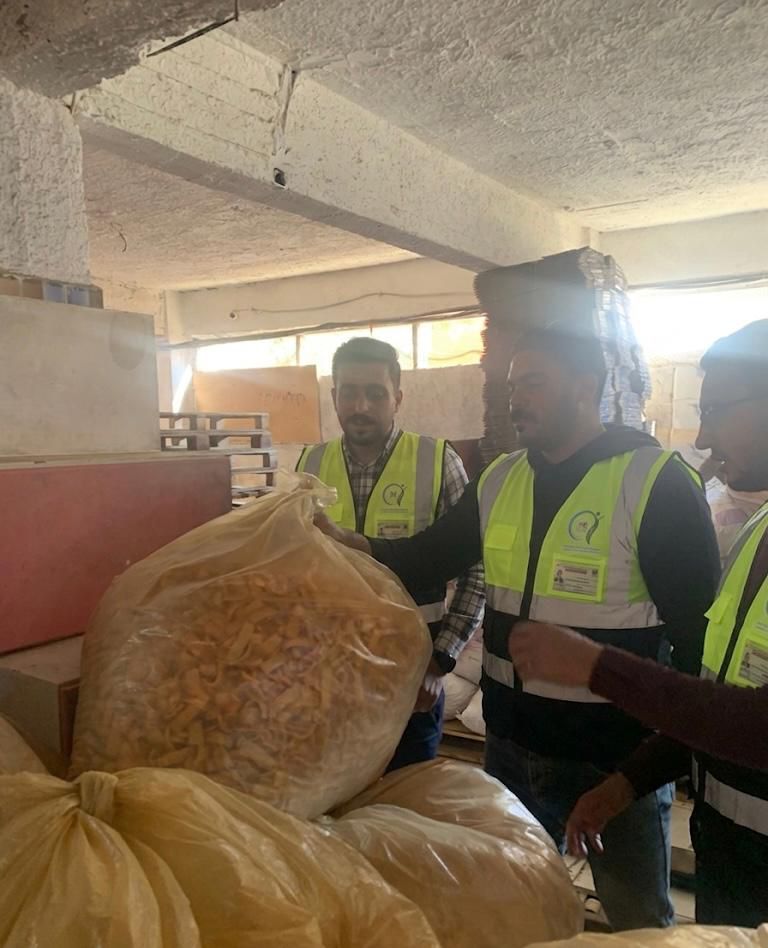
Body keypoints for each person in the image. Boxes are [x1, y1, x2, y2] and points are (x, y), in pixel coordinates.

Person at [315, 327, 720, 930]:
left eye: (533, 383)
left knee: (637, 922)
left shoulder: (654, 483)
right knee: (514, 910)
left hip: (609, 761)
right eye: (512, 387)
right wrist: (354, 543)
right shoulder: (501, 478)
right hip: (511, 751)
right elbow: (429, 556)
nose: (515, 400)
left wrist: (638, 775)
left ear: (585, 386)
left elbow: (698, 651)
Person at [509, 319, 768, 928]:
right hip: (731, 856)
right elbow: (715, 698)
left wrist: (597, 667)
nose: (702, 437)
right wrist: (625, 785)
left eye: (715, 411)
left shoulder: (657, 483)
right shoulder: (758, 530)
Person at [297, 337, 484, 771]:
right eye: (349, 392)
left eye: (375, 393)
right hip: (330, 677)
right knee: (333, 795)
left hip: (410, 680)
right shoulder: (310, 465)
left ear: (397, 398)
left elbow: (476, 572)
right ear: (334, 396)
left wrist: (439, 662)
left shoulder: (437, 461)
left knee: (406, 795)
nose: (361, 405)